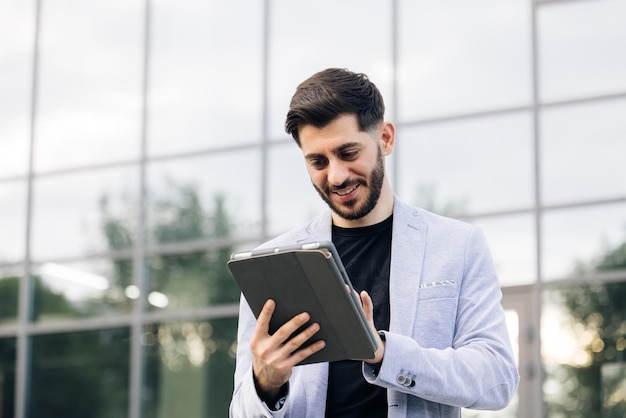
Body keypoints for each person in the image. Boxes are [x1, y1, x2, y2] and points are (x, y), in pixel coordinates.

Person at [229, 68, 519, 418]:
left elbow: (497, 379)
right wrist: (266, 380)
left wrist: (382, 352)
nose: (336, 176)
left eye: (348, 152)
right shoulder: (272, 265)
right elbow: (240, 412)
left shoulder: (457, 245)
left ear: (385, 138)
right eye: (318, 161)